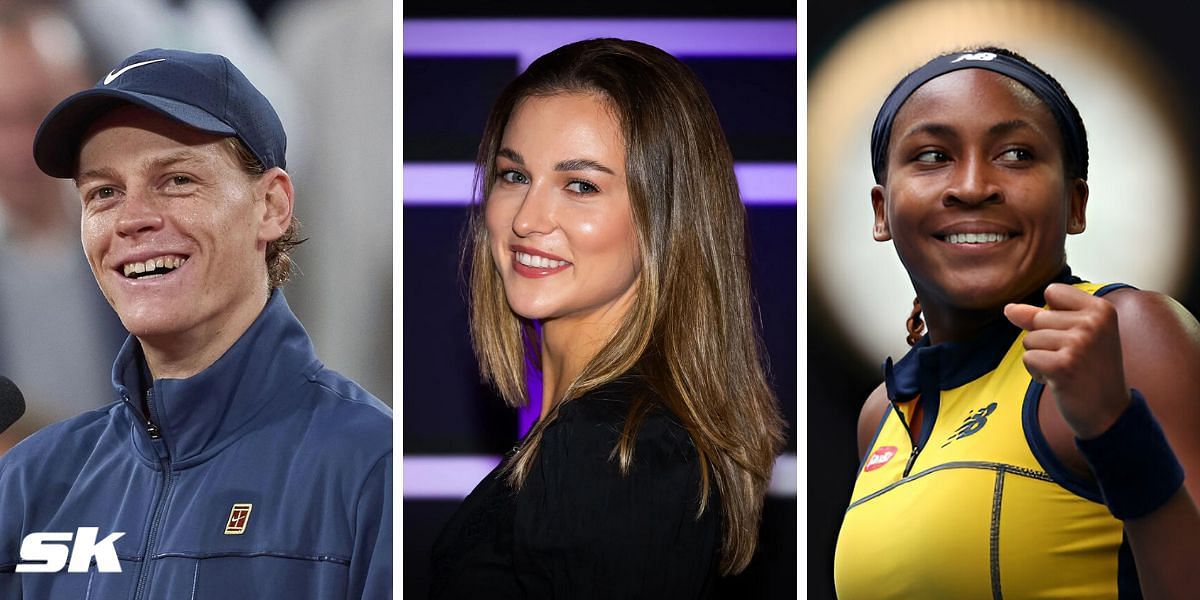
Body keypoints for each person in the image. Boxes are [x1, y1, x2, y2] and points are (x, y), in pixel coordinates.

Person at [0, 48, 391, 599]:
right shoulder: (29, 482)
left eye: (177, 180)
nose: (133, 219)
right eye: (104, 193)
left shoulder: (374, 469)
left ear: (272, 205)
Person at [833, 47, 1200, 598]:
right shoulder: (881, 413)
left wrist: (1115, 427)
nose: (974, 186)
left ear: (1076, 204)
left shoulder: (1129, 331)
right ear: (881, 211)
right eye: (933, 156)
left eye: (1016, 154)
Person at [430, 38, 786, 598]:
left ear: (665, 220)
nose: (528, 219)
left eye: (581, 185)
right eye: (514, 176)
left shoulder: (612, 450)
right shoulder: (605, 440)